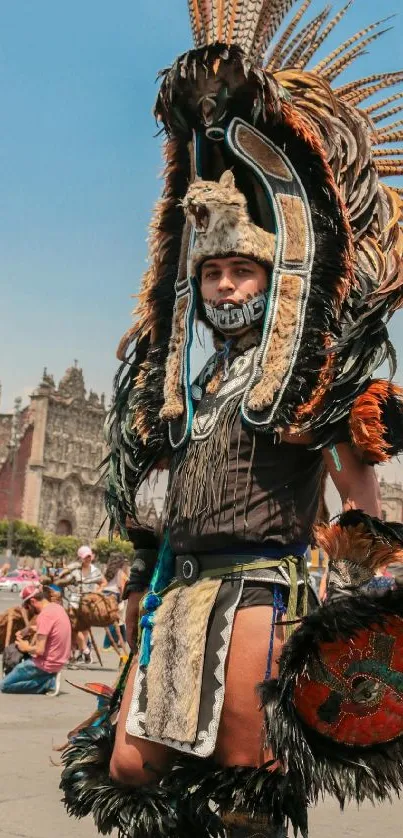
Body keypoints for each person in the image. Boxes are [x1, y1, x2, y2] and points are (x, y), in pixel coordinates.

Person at [61, 3, 403, 838]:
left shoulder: (313, 375)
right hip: (173, 594)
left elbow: (355, 487)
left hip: (259, 587)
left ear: (273, 276)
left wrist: (361, 573)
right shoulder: (184, 383)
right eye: (211, 270)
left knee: (247, 780)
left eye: (240, 270)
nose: (222, 285)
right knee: (134, 768)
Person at [0, 585, 71, 695]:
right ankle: (45, 679)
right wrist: (29, 629)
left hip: (45, 664)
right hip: (58, 661)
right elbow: (51, 630)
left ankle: (48, 683)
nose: (29, 610)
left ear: (33, 601)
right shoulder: (57, 608)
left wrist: (25, 647)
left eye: (27, 607)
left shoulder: (44, 616)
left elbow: (39, 650)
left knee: (5, 685)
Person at [58, 545, 105, 664]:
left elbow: (103, 582)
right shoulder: (75, 570)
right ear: (80, 558)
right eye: (85, 557)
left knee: (84, 630)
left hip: (89, 603)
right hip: (74, 601)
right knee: (75, 627)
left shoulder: (95, 570)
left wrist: (96, 592)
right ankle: (85, 650)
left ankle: (82, 651)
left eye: (89, 556)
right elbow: (62, 579)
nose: (88, 559)